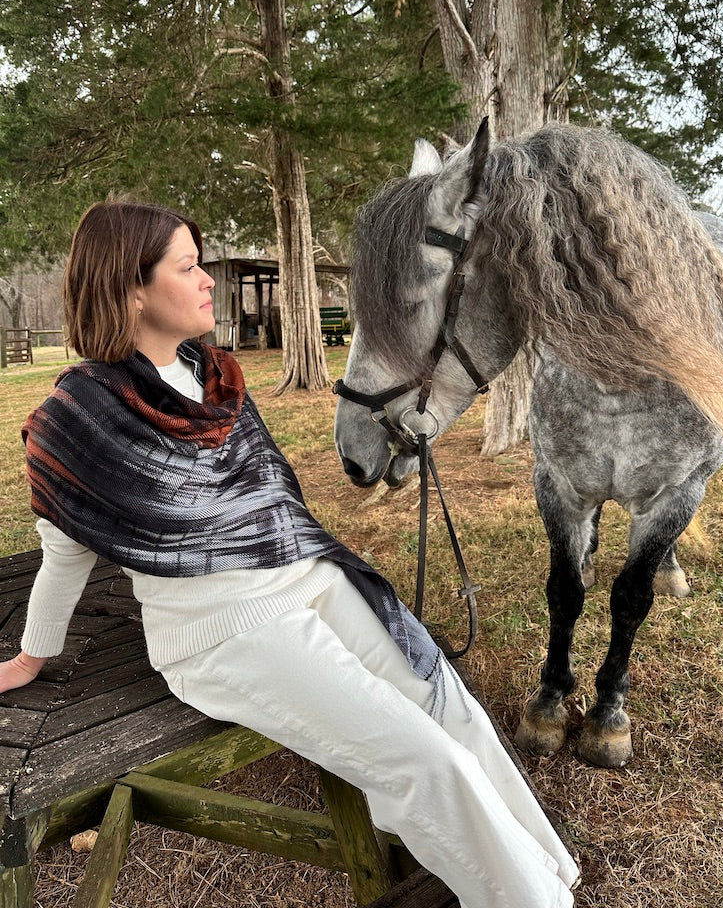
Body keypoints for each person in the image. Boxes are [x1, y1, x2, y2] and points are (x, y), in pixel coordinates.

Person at [0, 200, 579, 908]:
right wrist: (32, 656)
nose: (208, 280)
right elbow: (64, 553)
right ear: (131, 289)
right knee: (420, 760)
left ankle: (548, 877)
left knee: (449, 704)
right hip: (221, 632)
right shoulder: (76, 418)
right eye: (188, 268)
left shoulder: (216, 378)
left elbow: (270, 507)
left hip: (308, 578)